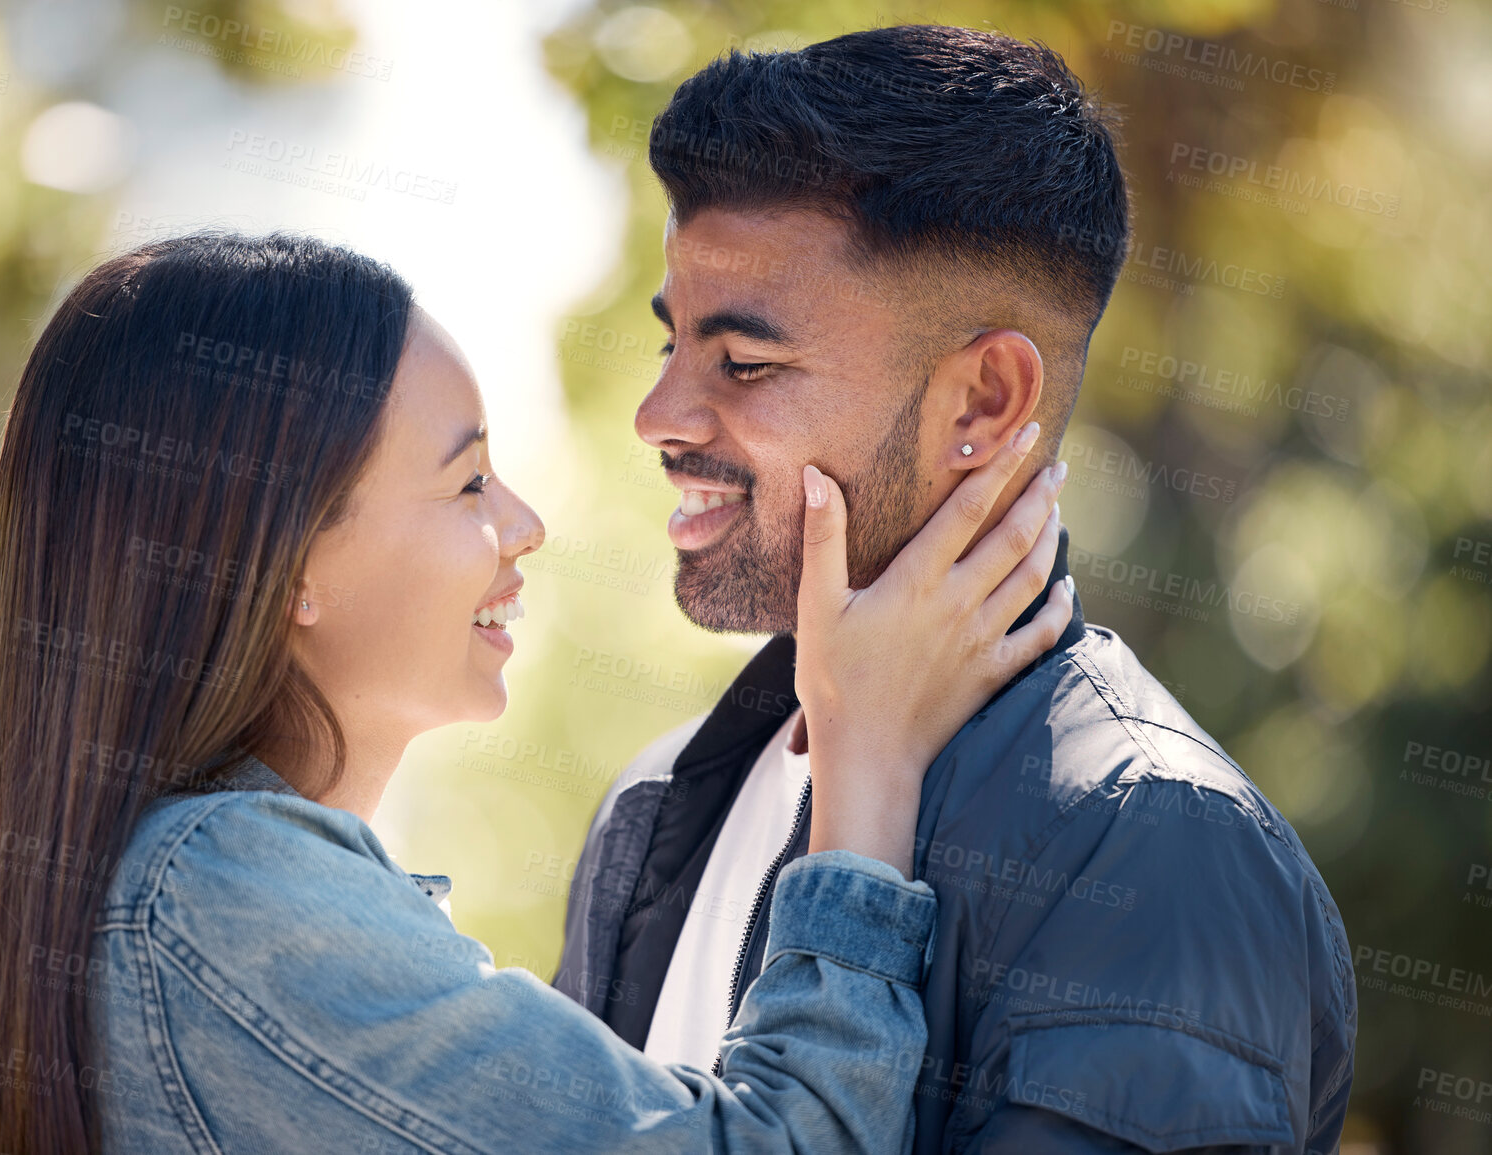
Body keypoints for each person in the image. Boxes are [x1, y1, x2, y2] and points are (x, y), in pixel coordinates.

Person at [0, 232, 1071, 1154]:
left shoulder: (194, 895)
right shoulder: (221, 898)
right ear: (287, 559)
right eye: (466, 485)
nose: (525, 526)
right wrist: (867, 767)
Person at [555, 25, 1357, 1155]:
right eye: (673, 346)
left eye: (743, 364)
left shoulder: (1149, 844)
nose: (659, 417)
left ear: (984, 401)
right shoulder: (654, 806)